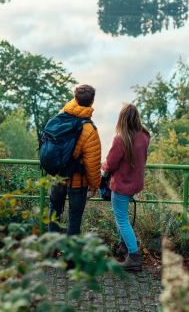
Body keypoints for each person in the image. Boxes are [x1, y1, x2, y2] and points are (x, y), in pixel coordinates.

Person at [102, 103, 150, 271]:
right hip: (135, 183)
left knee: (122, 220)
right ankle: (123, 246)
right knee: (121, 217)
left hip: (122, 185)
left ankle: (134, 256)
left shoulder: (120, 139)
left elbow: (110, 164)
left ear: (122, 119)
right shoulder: (144, 136)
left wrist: (103, 166)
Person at [48, 84, 101, 235]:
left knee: (54, 214)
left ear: (75, 99)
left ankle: (50, 253)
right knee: (74, 219)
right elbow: (92, 164)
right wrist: (94, 185)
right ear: (92, 102)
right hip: (77, 182)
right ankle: (70, 258)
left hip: (57, 177)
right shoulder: (90, 130)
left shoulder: (61, 116)